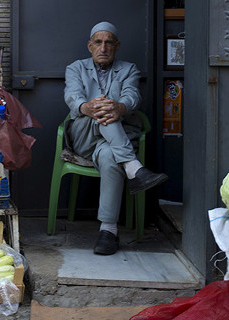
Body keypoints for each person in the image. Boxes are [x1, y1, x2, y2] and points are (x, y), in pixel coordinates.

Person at [64, 21, 168, 255]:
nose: (103, 47)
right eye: (98, 42)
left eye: (108, 42)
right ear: (90, 46)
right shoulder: (76, 68)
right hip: (84, 137)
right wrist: (87, 106)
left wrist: (120, 107)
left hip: (111, 144)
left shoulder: (129, 69)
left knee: (111, 155)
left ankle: (108, 231)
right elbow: (72, 96)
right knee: (102, 109)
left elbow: (132, 95)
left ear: (117, 46)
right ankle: (134, 168)